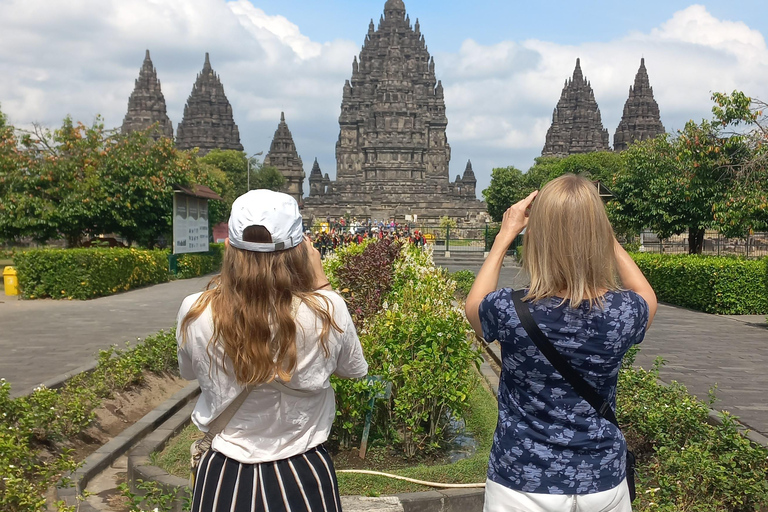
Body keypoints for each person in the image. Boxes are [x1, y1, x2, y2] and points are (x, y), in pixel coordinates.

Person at [465, 174, 657, 512]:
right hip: (602, 480)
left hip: (521, 479)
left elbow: (473, 306)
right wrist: (600, 231)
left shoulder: (509, 308)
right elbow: (647, 296)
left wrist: (505, 235)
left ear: (537, 238)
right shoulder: (624, 312)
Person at [177, 190, 368, 512]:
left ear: (229, 248)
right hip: (302, 472)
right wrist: (320, 283)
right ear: (302, 250)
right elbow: (353, 369)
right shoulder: (327, 309)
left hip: (224, 473)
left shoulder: (195, 309)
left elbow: (188, 372)